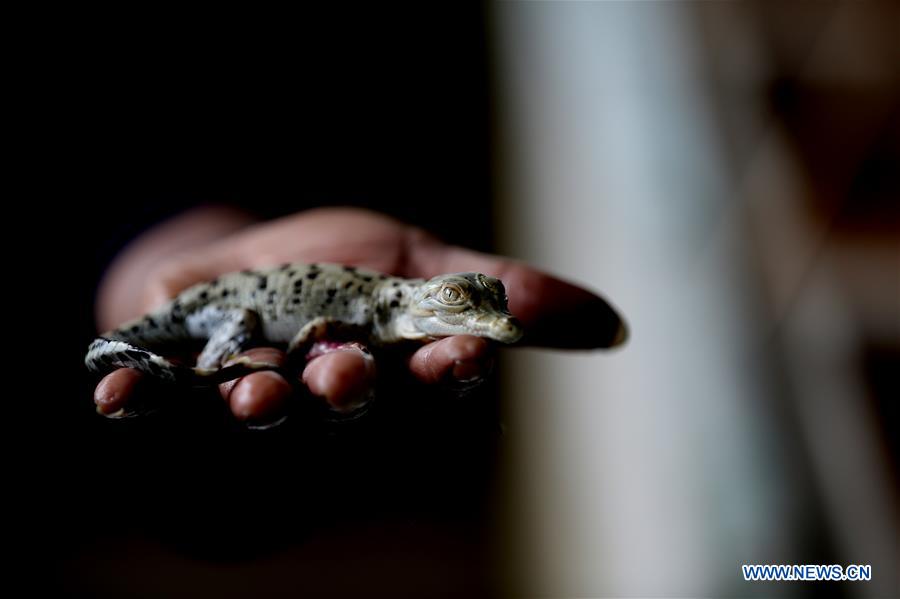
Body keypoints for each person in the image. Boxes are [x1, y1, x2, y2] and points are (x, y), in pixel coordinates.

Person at [93, 206, 625, 425]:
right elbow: (315, 332)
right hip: (206, 305)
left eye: (487, 304)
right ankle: (204, 370)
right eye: (458, 305)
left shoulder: (396, 305)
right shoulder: (379, 311)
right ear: (427, 300)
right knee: (241, 332)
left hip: (195, 251)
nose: (496, 323)